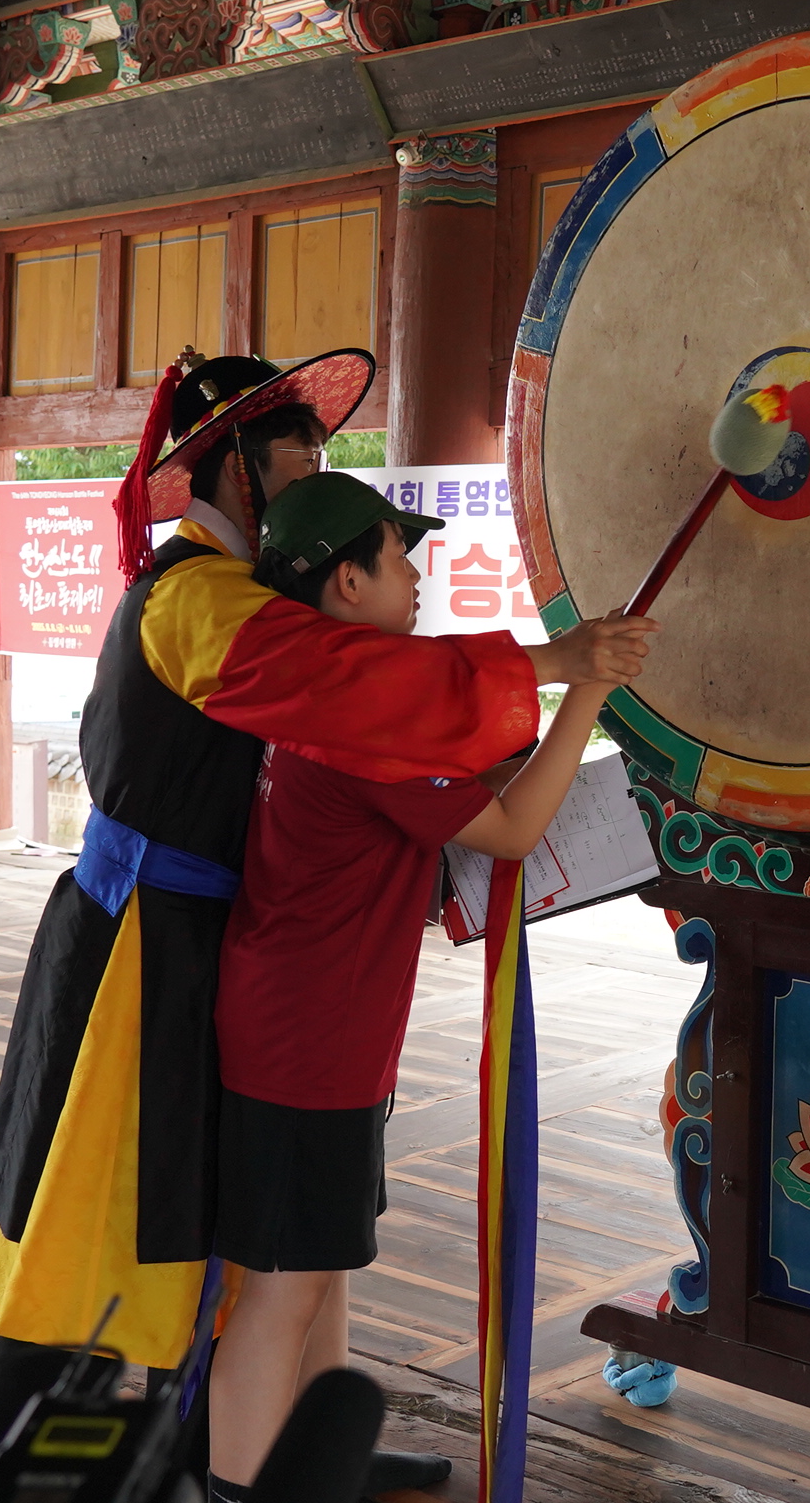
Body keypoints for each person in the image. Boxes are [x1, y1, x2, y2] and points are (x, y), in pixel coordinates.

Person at [0, 352, 656, 1479]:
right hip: (143, 947)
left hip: (230, 944)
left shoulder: (245, 591)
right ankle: (57, 1465)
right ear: (227, 465)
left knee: (234, 1238)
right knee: (104, 1234)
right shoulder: (193, 596)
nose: (313, 463)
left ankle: (264, 1442)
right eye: (291, 446)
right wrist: (557, 663)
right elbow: (359, 685)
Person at [204, 475, 629, 1498]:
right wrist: (587, 693)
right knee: (281, 1291)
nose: (415, 573)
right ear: (346, 580)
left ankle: (319, 1460)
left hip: (309, 1026)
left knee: (317, 1269)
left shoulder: (333, 692)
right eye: (399, 558)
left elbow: (457, 727)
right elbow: (513, 826)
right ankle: (238, 1484)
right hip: (308, 1044)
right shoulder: (361, 717)